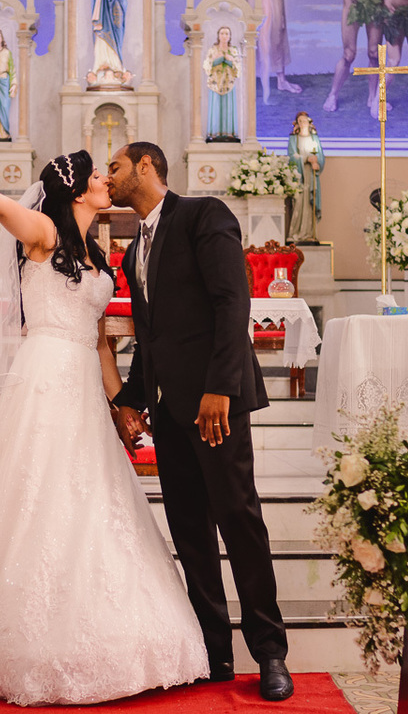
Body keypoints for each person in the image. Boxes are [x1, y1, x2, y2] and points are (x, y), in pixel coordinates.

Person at [0, 133, 208, 706]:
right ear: (77, 186)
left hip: (84, 376)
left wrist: (121, 406)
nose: (109, 181)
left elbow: (102, 345)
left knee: (93, 495)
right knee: (44, 494)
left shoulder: (100, 254)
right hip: (46, 377)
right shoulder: (44, 233)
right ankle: (27, 640)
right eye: (100, 175)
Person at [107, 142, 294, 703]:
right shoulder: (133, 247)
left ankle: (270, 652)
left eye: (115, 167)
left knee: (239, 521)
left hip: (217, 404)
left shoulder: (203, 215)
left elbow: (233, 303)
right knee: (190, 533)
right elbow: (151, 339)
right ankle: (214, 654)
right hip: (169, 412)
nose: (108, 177)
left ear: (145, 166)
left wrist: (220, 389)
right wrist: (131, 401)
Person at [286, 111, 325, 243]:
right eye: (300, 121)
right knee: (299, 202)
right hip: (300, 176)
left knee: (310, 204)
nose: (303, 123)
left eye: (305, 121)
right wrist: (305, 159)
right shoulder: (294, 139)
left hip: (311, 175)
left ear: (309, 123)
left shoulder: (314, 139)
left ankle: (309, 233)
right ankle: (295, 232)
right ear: (297, 124)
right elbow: (292, 156)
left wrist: (316, 162)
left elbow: (320, 156)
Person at [203, 26, 241, 141]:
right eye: (222, 33)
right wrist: (215, 59)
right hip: (215, 83)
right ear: (218, 36)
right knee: (216, 107)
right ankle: (214, 134)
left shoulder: (233, 50)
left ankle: (229, 133)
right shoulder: (213, 50)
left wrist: (231, 60)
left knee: (228, 108)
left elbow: (238, 68)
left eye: (226, 34)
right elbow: (206, 65)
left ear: (229, 37)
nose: (224, 36)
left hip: (228, 83)